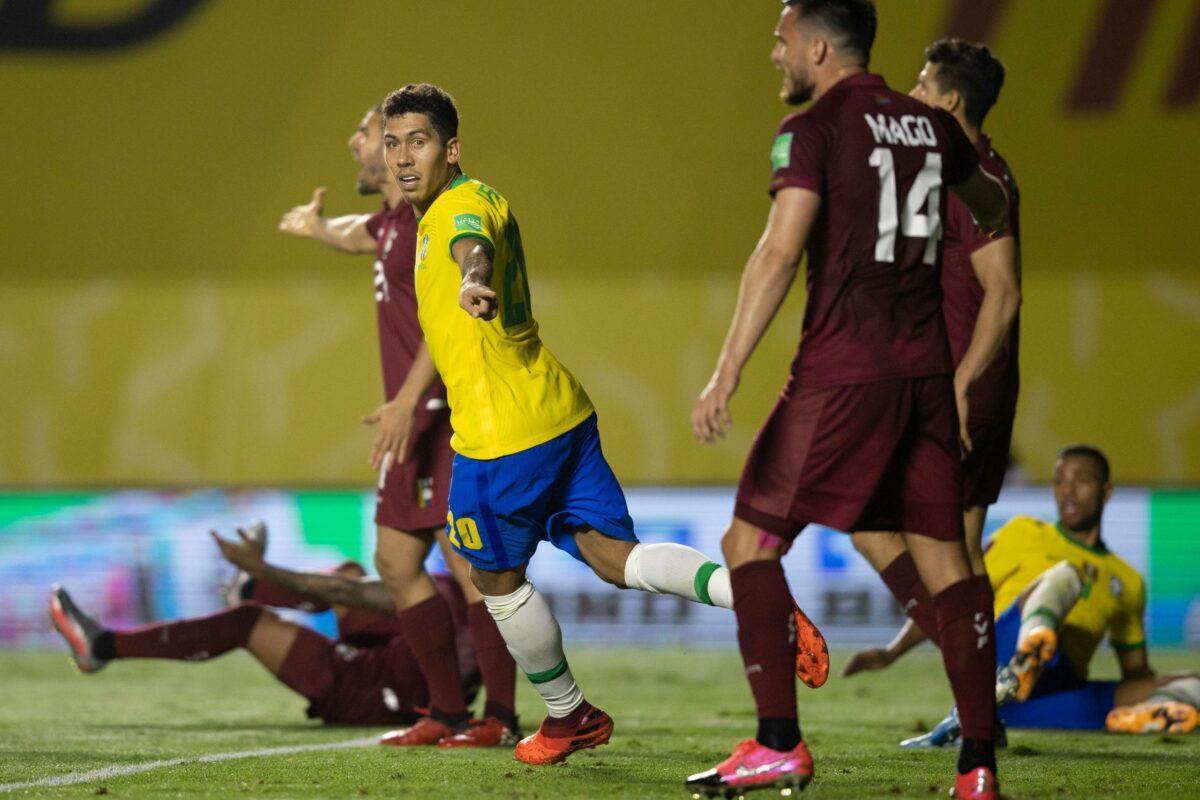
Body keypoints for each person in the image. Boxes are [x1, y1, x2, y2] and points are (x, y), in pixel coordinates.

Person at [378, 82, 766, 767]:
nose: (404, 157)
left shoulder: (461, 208)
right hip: (559, 414)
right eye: (393, 143)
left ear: (452, 149)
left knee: (490, 578)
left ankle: (568, 714)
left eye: (419, 141)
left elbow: (476, 249)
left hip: (501, 439)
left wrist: (476, 278)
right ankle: (757, 595)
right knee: (617, 560)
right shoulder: (441, 208)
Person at [687, 1, 1009, 797]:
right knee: (946, 559)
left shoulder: (814, 130)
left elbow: (778, 251)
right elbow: (992, 205)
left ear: (820, 45)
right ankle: (977, 766)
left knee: (748, 545)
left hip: (841, 373)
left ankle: (777, 743)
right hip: (926, 376)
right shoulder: (929, 125)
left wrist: (726, 370)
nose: (774, 54)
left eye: (783, 39)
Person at [278, 107, 517, 746]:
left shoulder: (427, 226)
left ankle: (499, 714)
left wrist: (412, 402)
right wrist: (319, 227)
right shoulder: (389, 225)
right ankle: (445, 710)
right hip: (409, 417)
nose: (358, 144)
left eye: (371, 137)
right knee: (394, 558)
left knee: (469, 565)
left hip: (441, 413)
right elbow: (359, 232)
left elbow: (445, 327)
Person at [850, 39, 1021, 663]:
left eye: (923, 87)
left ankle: (971, 675)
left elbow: (1003, 292)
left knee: (865, 508)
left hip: (961, 385)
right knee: (963, 548)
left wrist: (961, 383)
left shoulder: (978, 176)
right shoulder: (957, 169)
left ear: (950, 99)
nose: (914, 95)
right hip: (959, 380)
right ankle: (983, 699)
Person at [845, 446, 1200, 743]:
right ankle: (1022, 662)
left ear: (1106, 491)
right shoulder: (1024, 532)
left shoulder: (1129, 581)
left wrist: (1164, 682)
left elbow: (1134, 671)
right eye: (1060, 481)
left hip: (1051, 694)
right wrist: (893, 652)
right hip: (999, 658)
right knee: (1065, 575)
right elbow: (953, 595)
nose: (1067, 491)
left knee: (1195, 683)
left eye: (1082, 481)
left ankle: (1141, 715)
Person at [49, 523, 479, 729]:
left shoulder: (464, 594)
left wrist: (266, 571)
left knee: (251, 620)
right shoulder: (464, 585)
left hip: (377, 691)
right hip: (395, 660)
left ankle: (249, 586)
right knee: (349, 576)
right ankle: (102, 646)